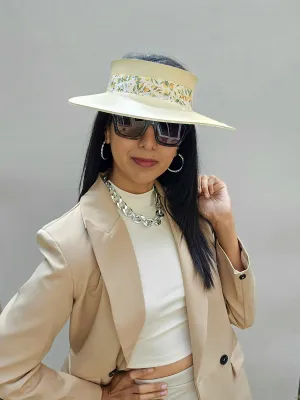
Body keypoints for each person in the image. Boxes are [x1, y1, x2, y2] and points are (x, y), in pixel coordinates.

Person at [0, 53, 255, 400]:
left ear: (180, 143)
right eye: (131, 124)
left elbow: (242, 315)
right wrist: (97, 397)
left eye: (167, 129)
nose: (148, 143)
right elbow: (8, 370)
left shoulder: (191, 213)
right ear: (106, 130)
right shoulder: (72, 242)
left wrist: (224, 223)